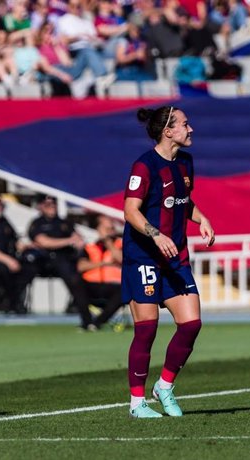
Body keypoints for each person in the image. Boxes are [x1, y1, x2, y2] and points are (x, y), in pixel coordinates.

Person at [122, 105, 215, 418]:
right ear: (168, 131)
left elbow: (183, 201)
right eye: (185, 125)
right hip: (144, 256)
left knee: (191, 324)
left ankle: (164, 386)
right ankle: (137, 403)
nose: (191, 130)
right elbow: (131, 211)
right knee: (146, 329)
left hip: (176, 258)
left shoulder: (186, 162)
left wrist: (201, 219)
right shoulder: (144, 166)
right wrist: (156, 235)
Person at [26, 194, 96, 330]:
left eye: (54, 204)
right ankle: (15, 306)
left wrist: (77, 242)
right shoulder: (37, 223)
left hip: (66, 258)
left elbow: (78, 238)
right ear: (40, 206)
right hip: (46, 260)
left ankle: (86, 317)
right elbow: (44, 242)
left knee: (77, 278)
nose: (52, 207)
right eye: (47, 205)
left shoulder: (64, 222)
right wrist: (68, 241)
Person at [76, 214, 124, 329]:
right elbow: (81, 266)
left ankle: (98, 322)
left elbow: (121, 259)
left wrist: (108, 242)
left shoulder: (120, 244)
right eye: (106, 228)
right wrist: (104, 263)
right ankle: (86, 321)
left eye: (111, 228)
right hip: (92, 284)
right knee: (75, 282)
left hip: (114, 285)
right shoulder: (90, 246)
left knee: (124, 291)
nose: (110, 229)